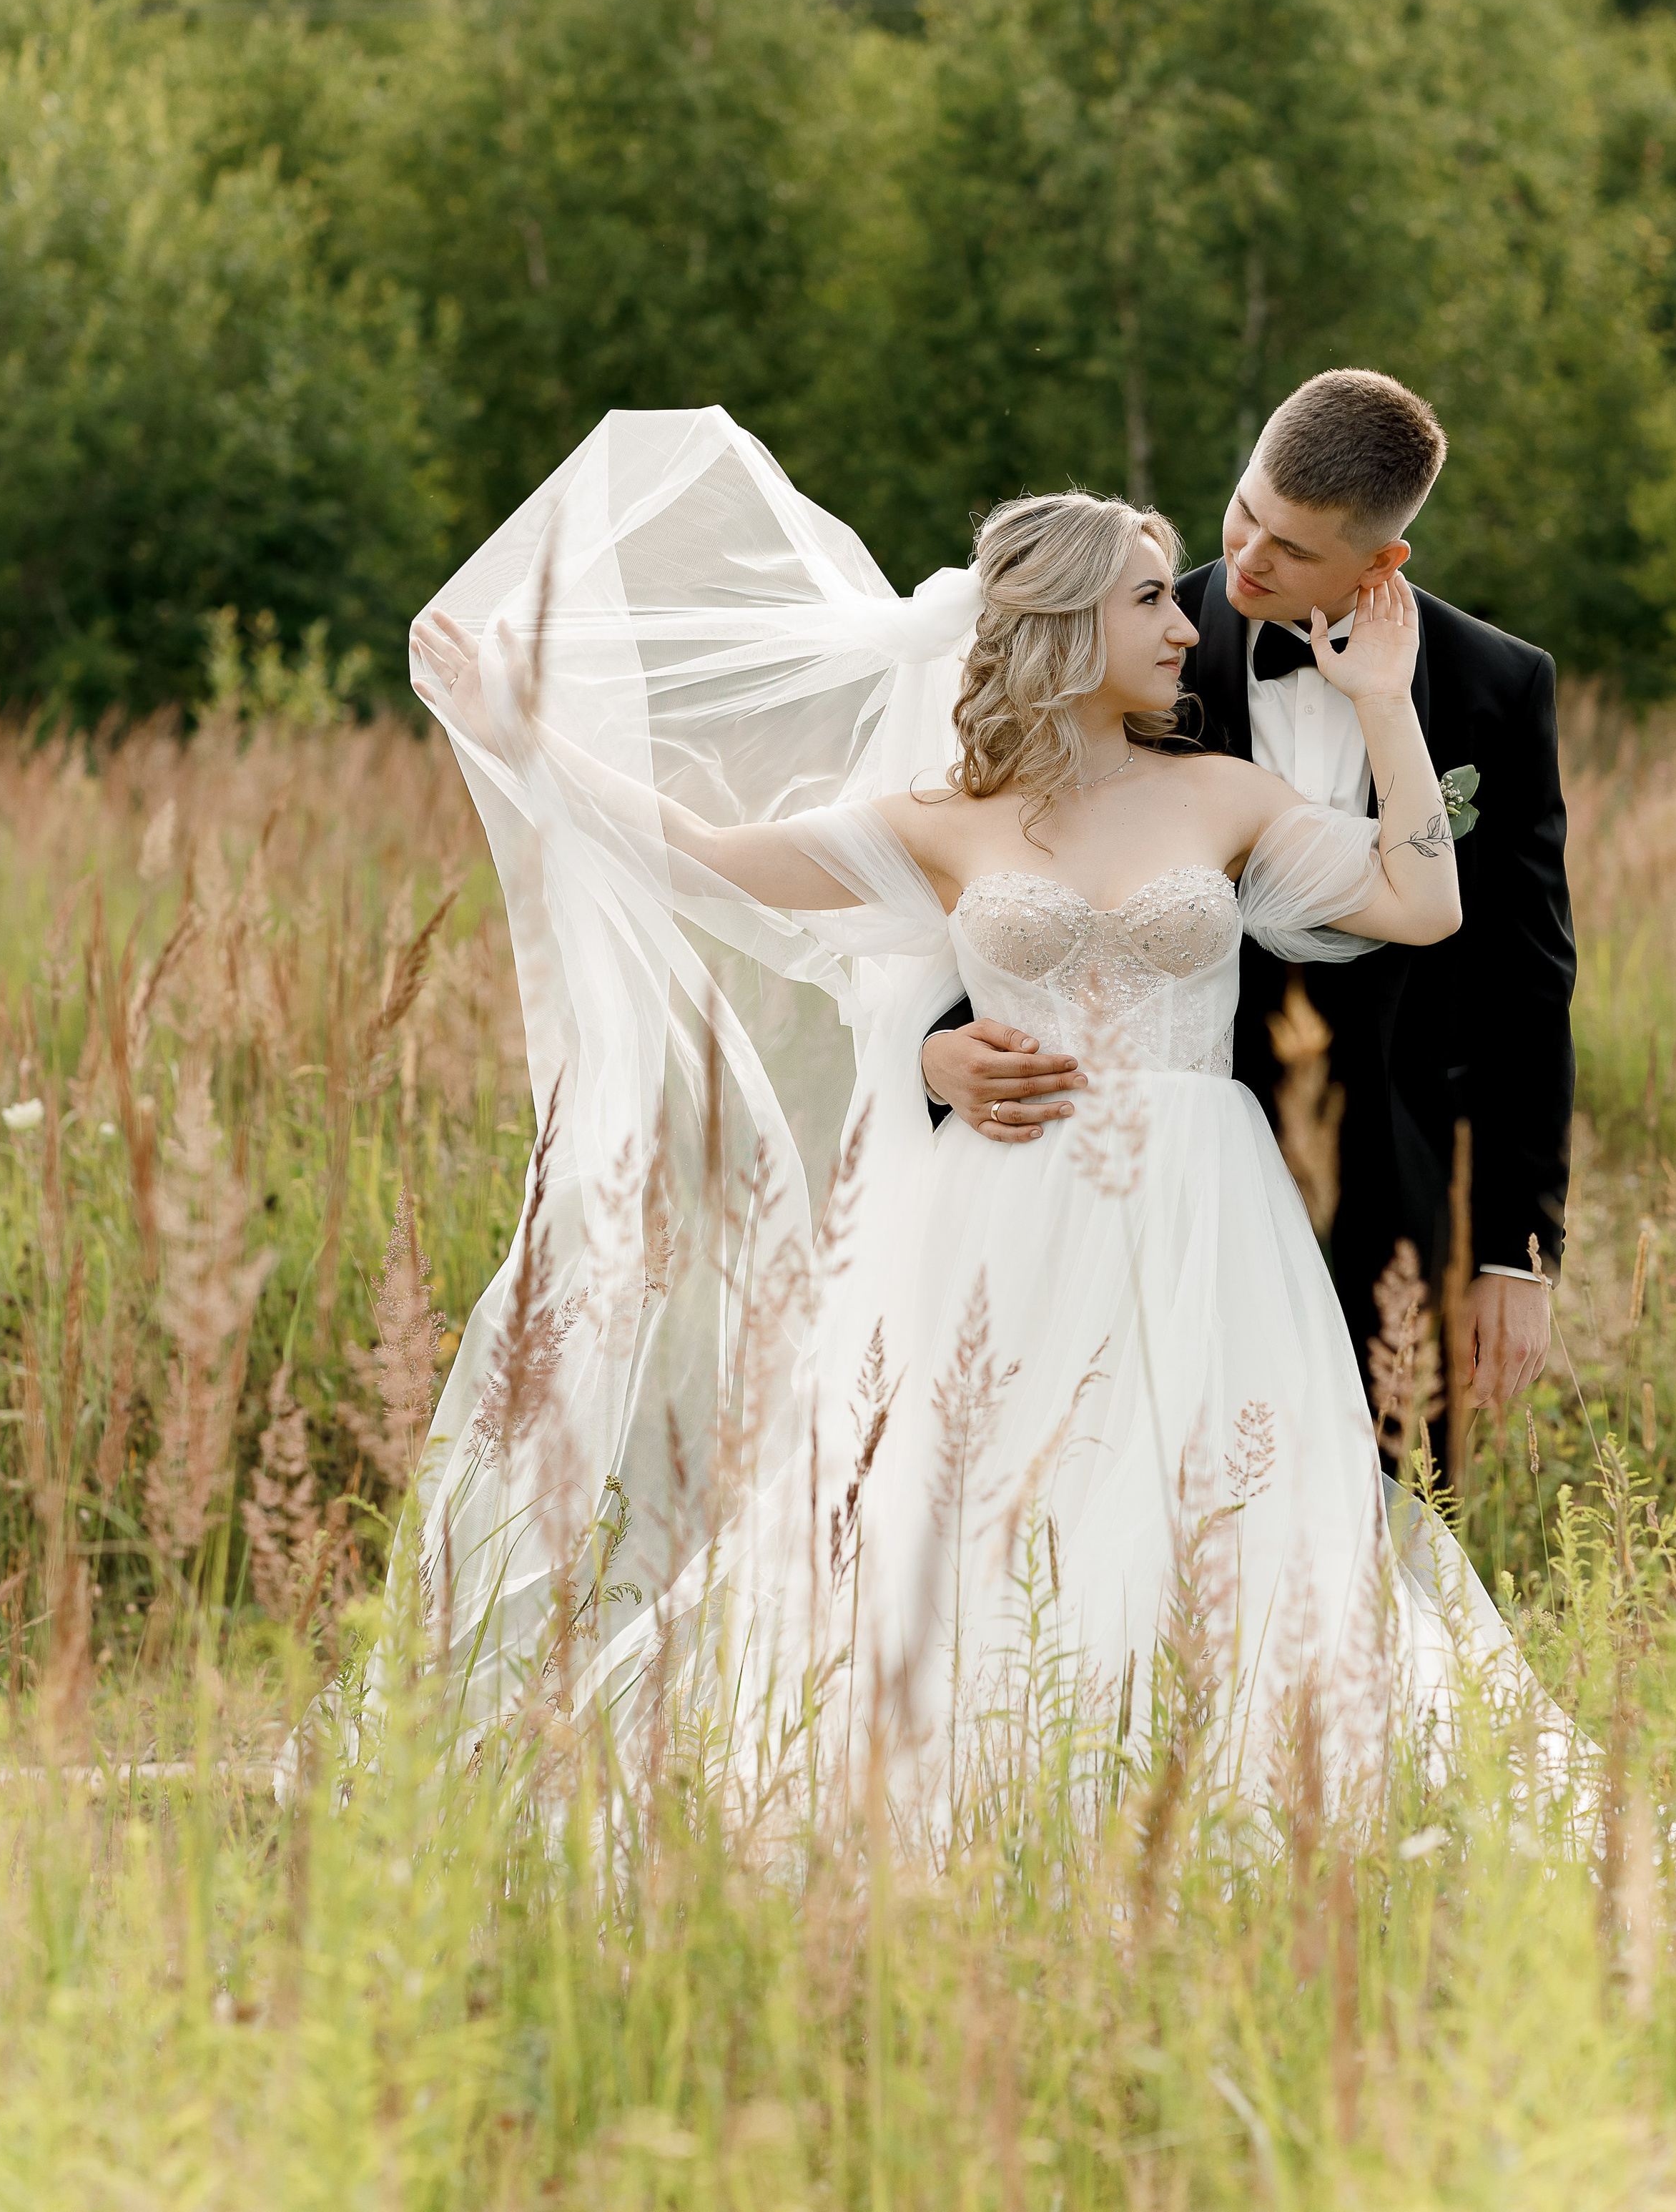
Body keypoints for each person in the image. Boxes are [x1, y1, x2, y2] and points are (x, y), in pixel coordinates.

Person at [398, 406, 1542, 1806]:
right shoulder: (940, 824)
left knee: (1215, 1503)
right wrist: (522, 736)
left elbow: (1426, 904)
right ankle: (985, 1783)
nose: (1185, 627)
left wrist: (1381, 703)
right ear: (1064, 626)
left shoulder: (1224, 796)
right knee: (978, 1506)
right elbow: (703, 854)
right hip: (1000, 1205)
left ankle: (1224, 1792)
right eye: (1146, 602)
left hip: (1205, 1210)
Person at [920, 370, 1574, 1441]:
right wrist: (939, 1051)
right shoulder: (1116, 638)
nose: (1244, 560)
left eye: (1293, 549)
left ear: (1382, 562)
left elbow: (1529, 981)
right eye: (1243, 511)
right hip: (1144, 1178)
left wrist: (1516, 1252)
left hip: (1399, 1179)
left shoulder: (1494, 687)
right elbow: (991, 868)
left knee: (1381, 1510)